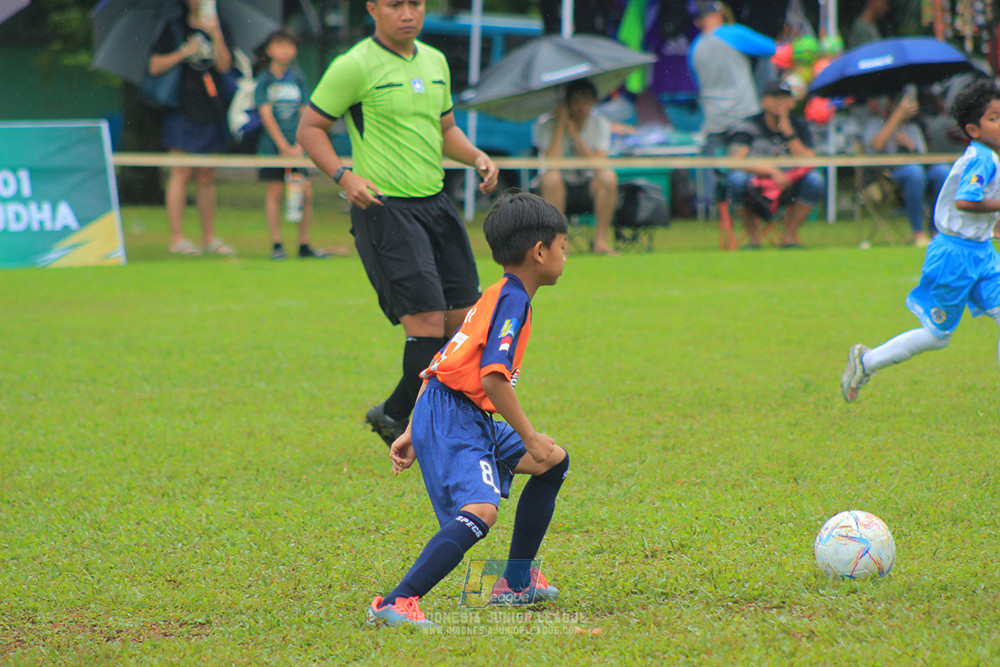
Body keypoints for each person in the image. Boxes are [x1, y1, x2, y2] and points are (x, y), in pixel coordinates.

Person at [297, 0, 499, 447]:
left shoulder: (435, 61)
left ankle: (393, 413)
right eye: (395, 4)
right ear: (372, 8)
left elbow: (446, 129)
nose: (408, 13)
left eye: (416, 3)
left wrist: (475, 156)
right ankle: (428, 430)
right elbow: (310, 128)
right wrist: (342, 175)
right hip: (386, 209)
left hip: (437, 205)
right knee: (426, 323)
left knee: (463, 322)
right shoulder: (354, 66)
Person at [366, 192, 571, 629]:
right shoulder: (510, 301)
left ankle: (514, 583)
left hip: (451, 409)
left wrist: (414, 426)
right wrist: (530, 436)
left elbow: (441, 361)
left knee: (553, 462)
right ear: (540, 251)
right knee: (482, 511)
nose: (565, 255)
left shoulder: (496, 293)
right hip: (456, 415)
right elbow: (493, 377)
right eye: (563, 246)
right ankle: (396, 601)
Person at [842, 79, 1000, 404]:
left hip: (982, 252)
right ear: (973, 129)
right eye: (994, 118)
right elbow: (965, 202)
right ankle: (866, 361)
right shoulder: (981, 159)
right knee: (936, 337)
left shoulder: (991, 157)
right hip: (954, 256)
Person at [148, 0, 236, 257]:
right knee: (181, 171)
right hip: (181, 108)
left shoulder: (222, 26)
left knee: (207, 174)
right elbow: (154, 66)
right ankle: (177, 238)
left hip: (212, 108)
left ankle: (209, 237)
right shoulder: (173, 27)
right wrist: (185, 52)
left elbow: (225, 65)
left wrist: (215, 33)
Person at [688, 0, 774, 212]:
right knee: (744, 167)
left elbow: (697, 85)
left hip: (713, 120)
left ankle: (710, 211)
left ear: (698, 22)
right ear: (719, 14)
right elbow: (770, 48)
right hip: (744, 116)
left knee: (715, 172)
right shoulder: (732, 33)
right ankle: (751, 207)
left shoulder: (694, 48)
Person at [254, 29, 332, 260]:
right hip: (272, 148)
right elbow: (265, 114)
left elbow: (304, 113)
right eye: (280, 45)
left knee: (304, 193)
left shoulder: (299, 78)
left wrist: (298, 145)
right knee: (275, 192)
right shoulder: (264, 80)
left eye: (290, 45)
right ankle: (277, 244)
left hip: (297, 148)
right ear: (270, 50)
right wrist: (281, 145)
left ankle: (303, 245)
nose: (285, 50)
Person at [725, 79, 824, 248]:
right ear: (764, 101)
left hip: (789, 185)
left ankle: (788, 237)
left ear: (792, 103)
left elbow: (811, 159)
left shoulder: (799, 125)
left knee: (815, 180)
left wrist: (788, 132)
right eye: (775, 97)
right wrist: (771, 172)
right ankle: (753, 240)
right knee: (736, 180)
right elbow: (735, 160)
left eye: (785, 97)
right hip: (755, 185)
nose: (780, 102)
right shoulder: (749, 125)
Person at [534, 79, 619, 255]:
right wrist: (560, 126)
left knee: (608, 177)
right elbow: (551, 162)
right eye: (576, 101)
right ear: (567, 103)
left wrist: (574, 135)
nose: (581, 106)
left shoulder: (600, 124)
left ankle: (600, 242)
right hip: (557, 188)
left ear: (593, 103)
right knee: (551, 179)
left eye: (586, 101)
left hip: (587, 185)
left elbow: (598, 165)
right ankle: (560, 243)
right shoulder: (546, 124)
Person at [861, 90, 950, 246]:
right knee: (913, 172)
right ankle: (918, 233)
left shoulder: (913, 128)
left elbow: (924, 158)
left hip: (920, 173)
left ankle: (936, 231)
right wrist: (896, 118)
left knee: (942, 172)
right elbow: (876, 146)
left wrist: (910, 145)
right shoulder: (875, 123)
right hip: (887, 177)